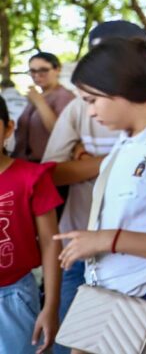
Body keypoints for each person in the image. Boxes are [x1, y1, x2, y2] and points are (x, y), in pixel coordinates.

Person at [55, 37, 146, 353]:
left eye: (92, 99)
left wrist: (107, 239)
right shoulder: (124, 145)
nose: (89, 112)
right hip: (108, 294)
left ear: (121, 87)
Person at [42, 20, 146, 354]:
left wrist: (87, 162)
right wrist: (108, 162)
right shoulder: (111, 128)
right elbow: (51, 174)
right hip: (81, 251)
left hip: (141, 275)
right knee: (69, 342)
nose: (89, 108)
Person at [0, 95, 62, 354]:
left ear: (9, 128)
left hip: (15, 296)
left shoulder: (31, 178)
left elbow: (50, 243)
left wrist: (51, 306)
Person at [11, 53, 75, 163]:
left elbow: (61, 132)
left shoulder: (64, 96)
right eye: (33, 71)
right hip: (23, 162)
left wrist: (39, 102)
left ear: (57, 69)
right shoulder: (38, 95)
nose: (37, 75)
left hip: (46, 165)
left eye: (43, 70)